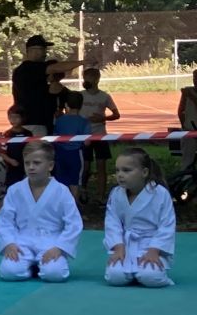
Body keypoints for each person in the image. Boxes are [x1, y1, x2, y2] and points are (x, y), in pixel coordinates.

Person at [0, 141, 83, 282]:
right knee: (9, 272)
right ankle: (30, 267)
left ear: (50, 166)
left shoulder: (62, 191)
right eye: (27, 163)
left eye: (36, 163)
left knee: (54, 274)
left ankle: (43, 266)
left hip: (51, 242)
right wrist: (9, 243)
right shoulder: (15, 190)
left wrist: (60, 247)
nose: (31, 167)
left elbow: (74, 224)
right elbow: (5, 220)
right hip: (22, 242)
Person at [104, 147, 176, 288]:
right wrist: (118, 247)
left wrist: (154, 250)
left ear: (144, 172)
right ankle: (132, 271)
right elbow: (112, 222)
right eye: (117, 170)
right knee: (114, 277)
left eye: (126, 170)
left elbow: (167, 225)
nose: (120, 175)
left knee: (150, 277)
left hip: (151, 245)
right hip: (126, 246)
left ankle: (154, 274)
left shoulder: (160, 194)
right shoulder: (116, 193)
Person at [10, 34, 84, 134]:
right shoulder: (28, 69)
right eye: (43, 49)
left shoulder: (31, 72)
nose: (45, 53)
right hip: (35, 124)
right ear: (34, 50)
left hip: (38, 123)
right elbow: (55, 68)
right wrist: (82, 62)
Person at [79, 67, 120, 199]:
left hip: (100, 135)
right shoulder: (80, 95)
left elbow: (116, 114)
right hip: (84, 136)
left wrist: (103, 118)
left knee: (101, 166)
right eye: (85, 78)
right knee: (85, 166)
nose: (86, 81)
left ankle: (101, 196)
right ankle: (83, 190)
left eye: (89, 78)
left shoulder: (105, 96)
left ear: (97, 79)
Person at [51, 90, 90, 199]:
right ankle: (73, 206)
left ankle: (61, 206)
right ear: (81, 105)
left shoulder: (59, 120)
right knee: (75, 182)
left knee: (60, 182)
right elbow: (87, 142)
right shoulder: (84, 122)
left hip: (60, 154)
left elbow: (54, 137)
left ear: (66, 105)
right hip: (76, 154)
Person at [0, 105, 30, 189]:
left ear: (23, 118)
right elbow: (2, 152)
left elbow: (32, 149)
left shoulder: (28, 134)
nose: (13, 120)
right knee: (12, 189)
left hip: (27, 166)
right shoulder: (7, 135)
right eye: (11, 117)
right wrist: (11, 161)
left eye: (16, 117)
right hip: (12, 169)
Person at [176, 70, 197, 173]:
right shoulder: (187, 92)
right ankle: (186, 178)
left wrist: (192, 96)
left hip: (190, 130)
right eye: (194, 78)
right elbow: (180, 111)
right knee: (187, 160)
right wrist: (184, 126)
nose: (195, 81)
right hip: (190, 131)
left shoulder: (188, 93)